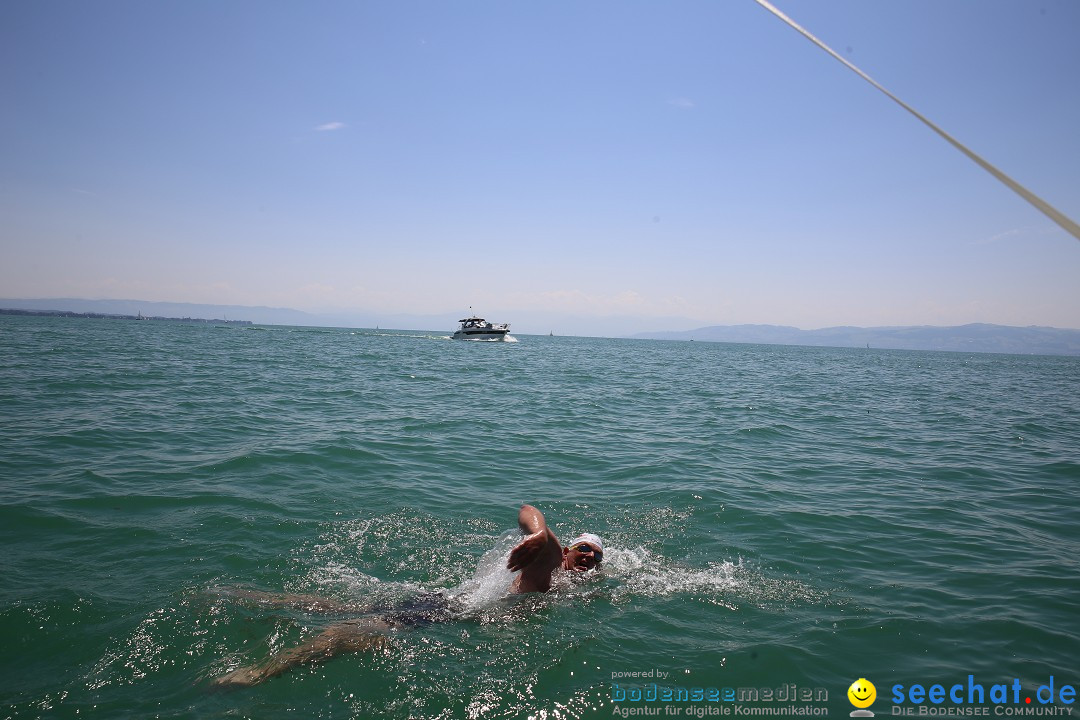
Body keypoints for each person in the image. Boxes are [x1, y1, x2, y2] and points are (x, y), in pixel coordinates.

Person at [211, 505, 603, 688]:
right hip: (443, 612)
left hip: (440, 602)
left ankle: (239, 597)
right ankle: (260, 673)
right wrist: (536, 535)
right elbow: (530, 510)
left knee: (337, 611)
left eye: (596, 556)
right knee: (344, 630)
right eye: (582, 549)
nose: (587, 557)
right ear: (568, 551)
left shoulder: (571, 590)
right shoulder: (549, 570)